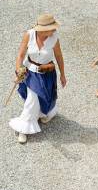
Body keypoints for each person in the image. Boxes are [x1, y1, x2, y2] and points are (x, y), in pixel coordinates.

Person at [9, 14, 67, 144]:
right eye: (52, 28)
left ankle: (45, 113)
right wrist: (19, 70)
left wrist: (62, 74)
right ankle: (23, 128)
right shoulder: (29, 35)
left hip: (47, 73)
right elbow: (20, 55)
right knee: (32, 98)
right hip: (30, 72)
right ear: (42, 29)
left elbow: (59, 56)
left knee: (45, 97)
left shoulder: (54, 37)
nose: (54, 30)